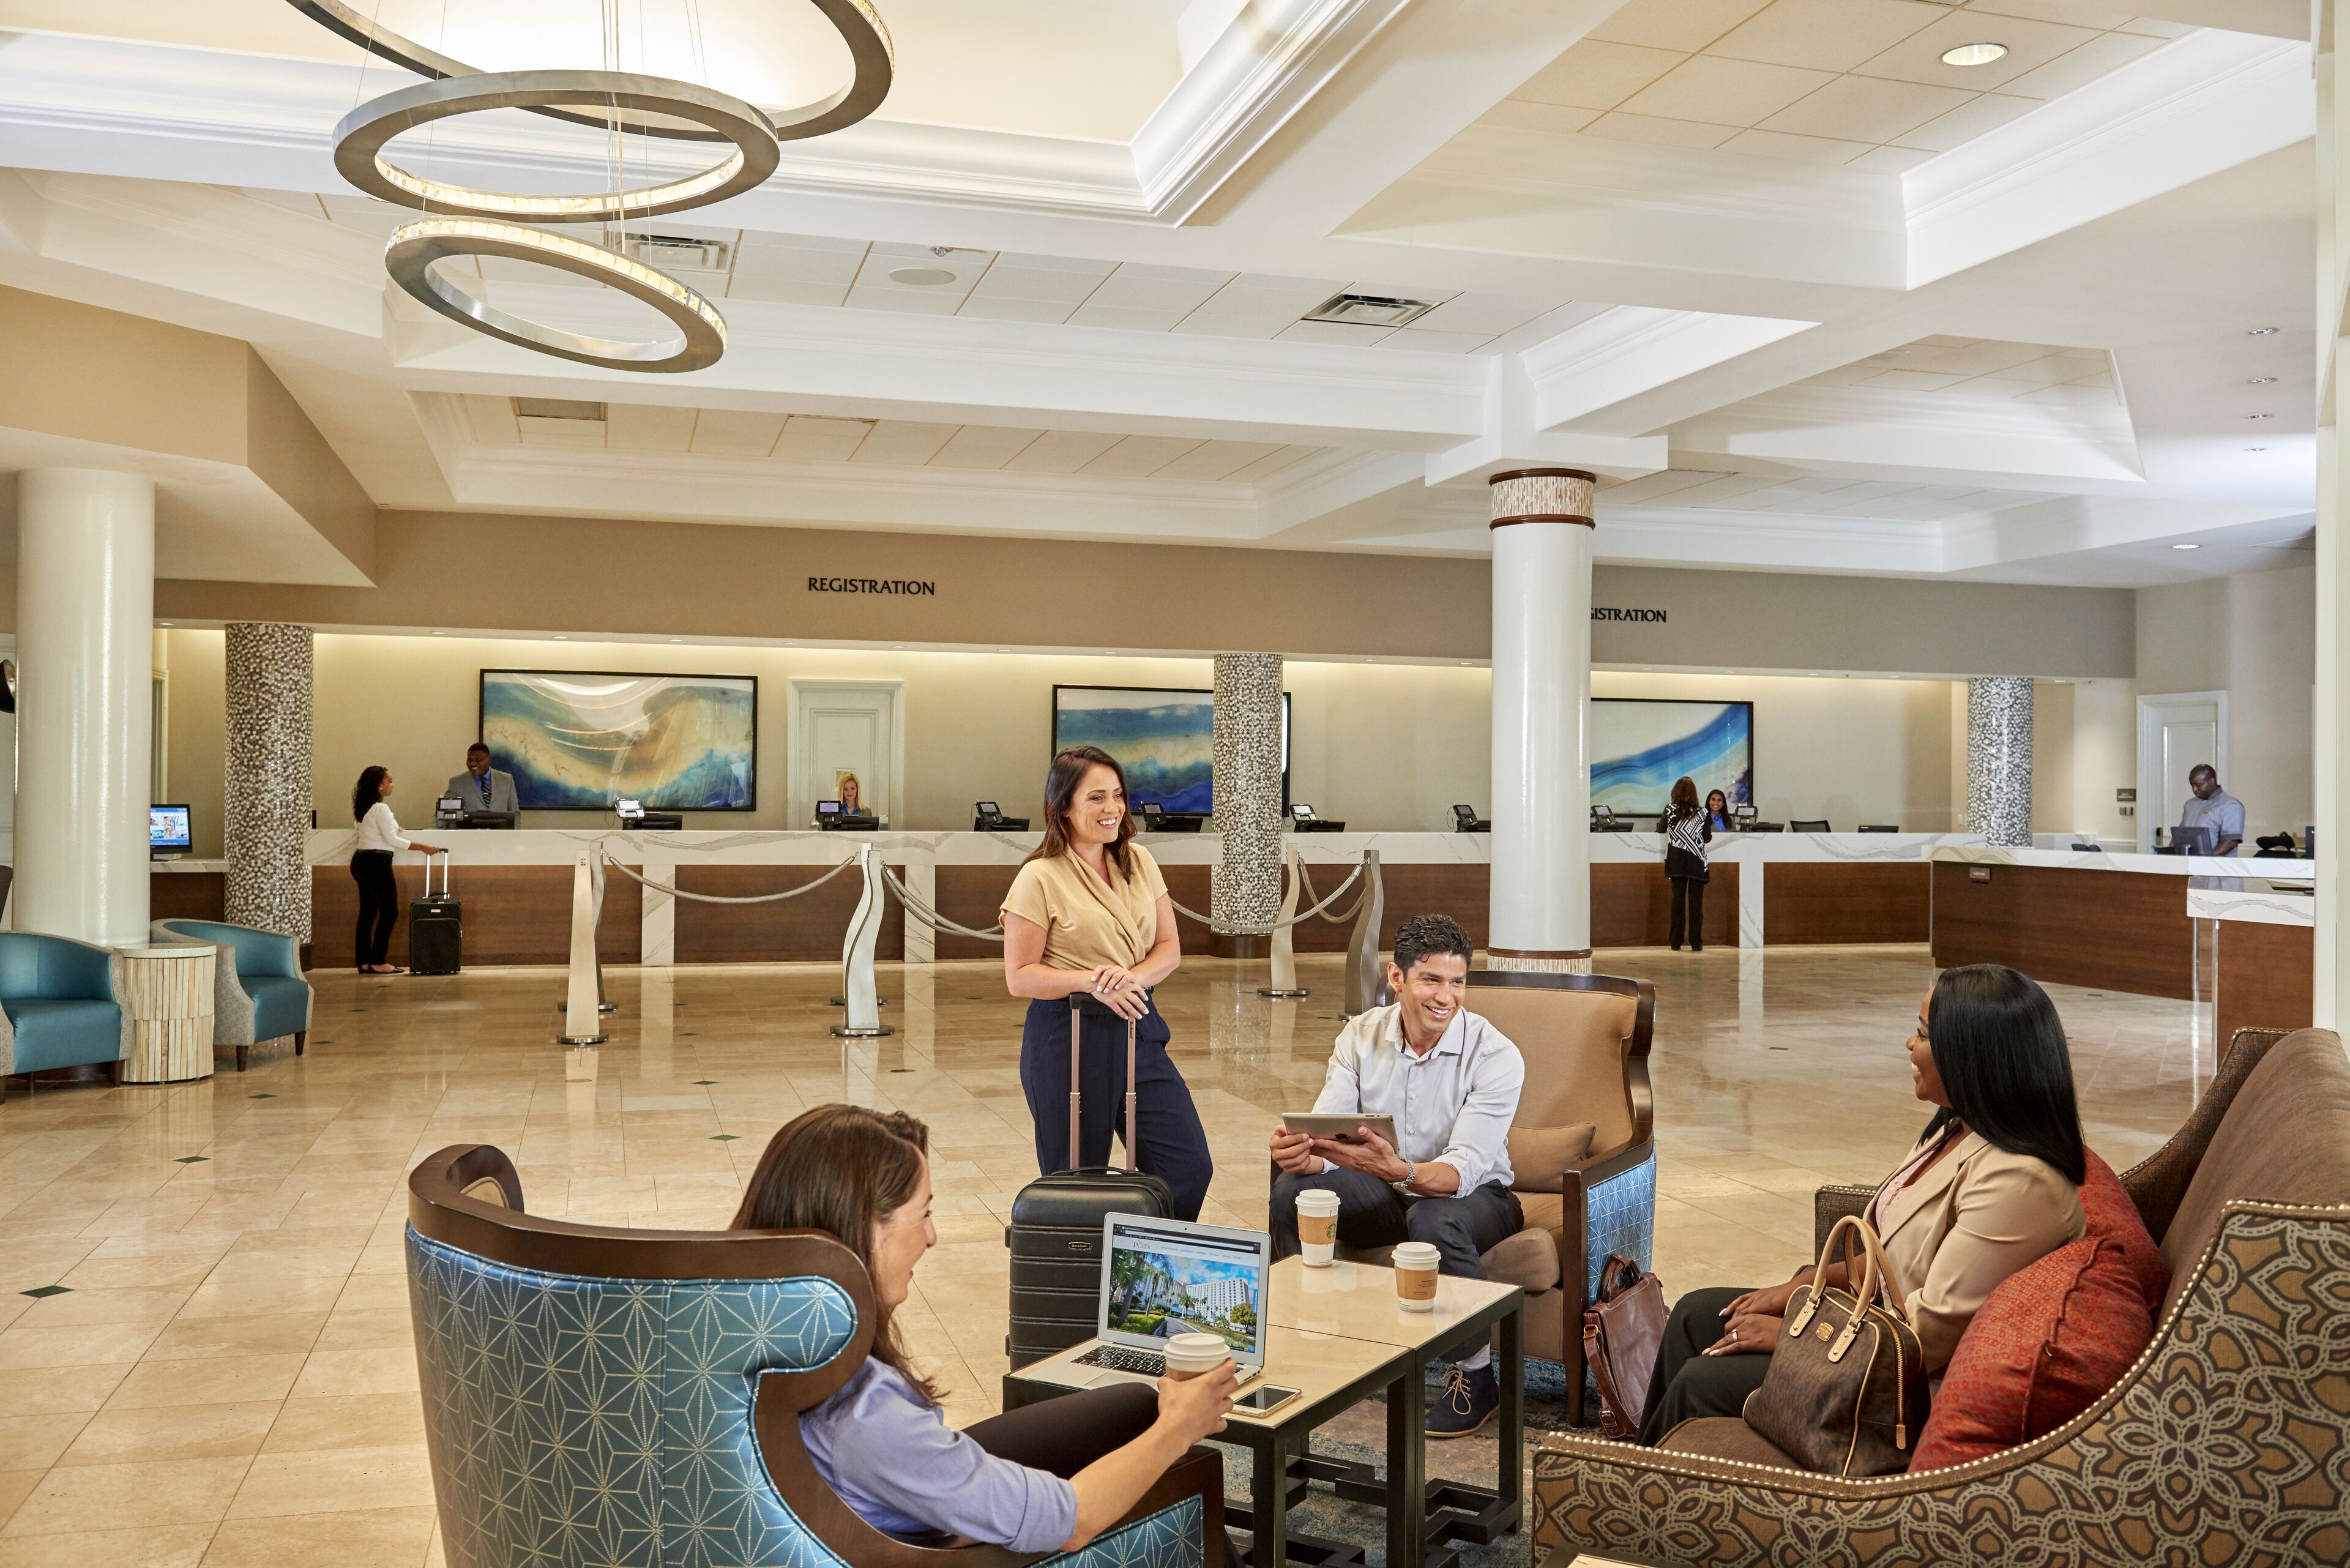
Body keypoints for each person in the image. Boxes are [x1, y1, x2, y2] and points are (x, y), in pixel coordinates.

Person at [741, 1106, 1239, 1553]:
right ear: (864, 1227)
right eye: (926, 1213)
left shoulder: (751, 1330)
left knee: (1133, 1404)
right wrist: (1180, 1428)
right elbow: (1071, 1522)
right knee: (1182, 1464)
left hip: (899, 1490)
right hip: (926, 1542)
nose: (933, 1237)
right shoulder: (865, 1416)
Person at [1637, 963, 2087, 1448]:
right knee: (1694, 1313)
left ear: (1974, 1055)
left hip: (1897, 1387)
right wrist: (1803, 1285)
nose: (1909, 1046)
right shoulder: (1957, 1127)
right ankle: (1630, 1471)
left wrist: (1795, 1331)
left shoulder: (2020, 1183)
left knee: (1701, 1382)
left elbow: (1926, 1337)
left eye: (1923, 1035)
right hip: (1868, 1330)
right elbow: (1890, 1257)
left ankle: (1641, 1502)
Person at [1267, 913, 1526, 1438]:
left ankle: (1475, 1377)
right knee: (1295, 1192)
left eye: (1457, 983)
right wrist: (1303, 1154)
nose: (1445, 997)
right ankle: (1310, 1337)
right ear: (1396, 978)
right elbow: (1331, 1135)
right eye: (1431, 979)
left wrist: (1401, 1169)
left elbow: (1462, 1170)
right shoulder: (1360, 1036)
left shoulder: (1496, 1055)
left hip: (1479, 1197)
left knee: (1432, 1219)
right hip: (1386, 1187)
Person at [1002, 745, 1213, 1222]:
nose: (1113, 808)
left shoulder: (1139, 861)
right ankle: (1088, 1286)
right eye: (1096, 798)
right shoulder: (1038, 877)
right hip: (1069, 1036)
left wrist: (1130, 978)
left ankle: (1143, 1268)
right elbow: (1020, 976)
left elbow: (1169, 948)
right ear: (1064, 808)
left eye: (1118, 795)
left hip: (1138, 1026)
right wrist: (1096, 982)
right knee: (1078, 1184)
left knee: (1187, 1166)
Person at [349, 766, 444, 974]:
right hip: (377, 863)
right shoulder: (380, 809)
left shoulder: (364, 807)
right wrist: (424, 847)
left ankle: (364, 961)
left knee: (367, 913)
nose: (393, 784)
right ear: (379, 786)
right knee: (390, 911)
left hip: (361, 862)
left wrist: (395, 827)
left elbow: (379, 829)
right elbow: (391, 840)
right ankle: (378, 960)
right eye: (390, 781)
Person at [1660, 775, 1711, 953]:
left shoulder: (1669, 810)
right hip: (1697, 861)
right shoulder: (1703, 813)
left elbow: (1661, 829)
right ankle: (1696, 943)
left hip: (1676, 861)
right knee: (1696, 904)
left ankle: (1676, 942)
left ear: (1675, 792)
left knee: (1677, 902)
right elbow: (1707, 838)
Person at [2177, 765, 2244, 856]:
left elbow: (2231, 841)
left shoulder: (2230, 805)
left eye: (2199, 785)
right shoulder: (2190, 804)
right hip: (2186, 866)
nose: (2195, 789)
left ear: (2212, 781)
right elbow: (2180, 835)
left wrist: (2207, 859)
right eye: (2192, 785)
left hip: (2216, 867)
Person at [442, 742, 518, 818]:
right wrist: (434, 829)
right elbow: (445, 812)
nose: (473, 764)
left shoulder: (507, 780)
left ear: (489, 760)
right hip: (470, 829)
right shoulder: (456, 783)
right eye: (470, 760)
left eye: (478, 760)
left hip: (500, 829)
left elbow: (515, 814)